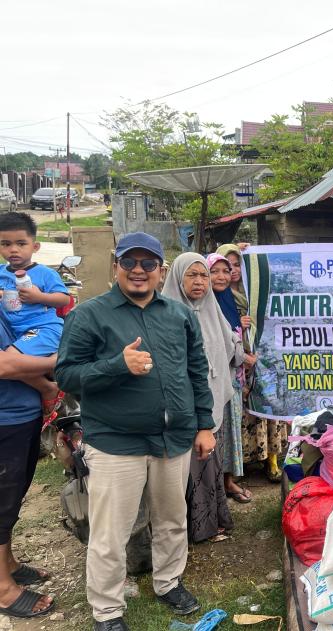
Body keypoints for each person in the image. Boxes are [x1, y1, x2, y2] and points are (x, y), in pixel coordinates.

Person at [56, 233, 214, 631]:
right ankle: (107, 610)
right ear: (116, 268)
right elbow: (67, 376)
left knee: (172, 519)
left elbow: (196, 371)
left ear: (161, 271)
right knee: (111, 532)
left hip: (173, 439)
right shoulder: (89, 315)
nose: (138, 270)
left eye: (148, 264)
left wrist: (204, 424)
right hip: (116, 442)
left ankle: (168, 582)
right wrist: (116, 366)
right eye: (129, 262)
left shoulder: (179, 314)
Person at [162, 253, 242, 541]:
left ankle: (207, 524)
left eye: (203, 276)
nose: (199, 282)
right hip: (178, 406)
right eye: (192, 275)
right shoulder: (165, 312)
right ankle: (181, 529)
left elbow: (228, 348)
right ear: (177, 278)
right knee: (181, 469)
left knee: (207, 462)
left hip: (208, 404)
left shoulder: (211, 310)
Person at [0, 317, 56, 619]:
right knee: (2, 501)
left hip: (20, 414)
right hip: (4, 419)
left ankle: (8, 564)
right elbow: (5, 366)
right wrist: (55, 365)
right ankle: (2, 589)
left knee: (13, 497)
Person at [216, 243, 284, 482]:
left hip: (263, 356)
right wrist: (239, 326)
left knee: (267, 404)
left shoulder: (253, 291)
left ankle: (271, 460)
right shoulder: (218, 294)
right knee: (244, 412)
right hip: (238, 361)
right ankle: (241, 463)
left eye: (237, 265)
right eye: (228, 266)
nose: (233, 270)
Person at [0, 212, 69, 421]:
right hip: (16, 332)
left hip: (43, 329)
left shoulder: (45, 274)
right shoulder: (1, 272)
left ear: (35, 246)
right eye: (6, 244)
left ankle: (49, 385)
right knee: (11, 362)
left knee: (9, 362)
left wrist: (40, 297)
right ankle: (48, 384)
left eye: (21, 243)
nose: (13, 250)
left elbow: (64, 299)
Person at [207, 253, 255, 503]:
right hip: (214, 380)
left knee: (231, 430)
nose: (222, 276)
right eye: (214, 271)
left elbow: (233, 337)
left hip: (234, 379)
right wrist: (243, 357)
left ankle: (227, 481)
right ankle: (212, 484)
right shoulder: (204, 304)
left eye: (226, 271)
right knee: (215, 431)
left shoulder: (229, 301)